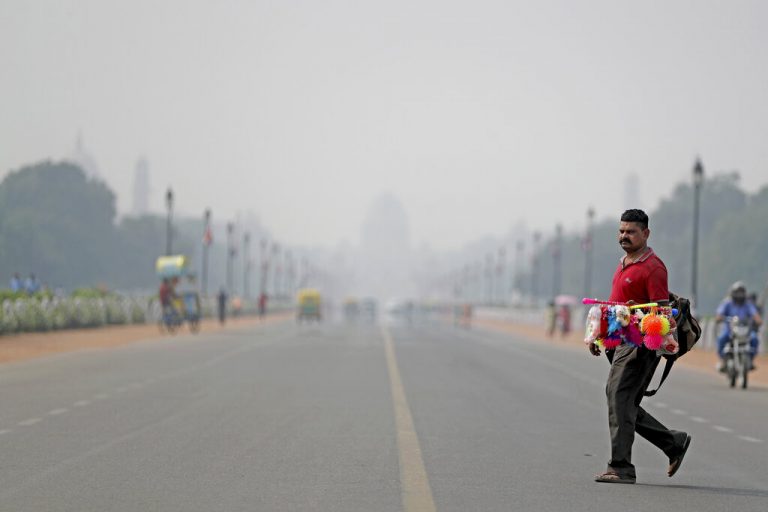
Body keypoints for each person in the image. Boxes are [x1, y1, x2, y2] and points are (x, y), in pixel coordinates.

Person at [588, 209, 691, 484]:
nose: (624, 236)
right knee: (622, 399)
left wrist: (641, 315)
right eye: (621, 231)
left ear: (645, 234)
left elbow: (662, 315)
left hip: (640, 345)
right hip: (619, 342)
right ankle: (673, 443)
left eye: (631, 231)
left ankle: (620, 467)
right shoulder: (624, 263)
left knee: (619, 396)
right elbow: (615, 306)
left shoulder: (653, 267)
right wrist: (599, 336)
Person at [715, 282, 762, 371]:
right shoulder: (727, 303)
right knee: (721, 338)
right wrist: (719, 317)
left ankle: (750, 360)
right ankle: (723, 360)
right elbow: (719, 314)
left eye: (741, 293)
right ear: (733, 293)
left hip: (745, 331)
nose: (739, 295)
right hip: (730, 330)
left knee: (754, 338)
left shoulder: (748, 304)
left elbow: (755, 314)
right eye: (737, 293)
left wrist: (758, 320)